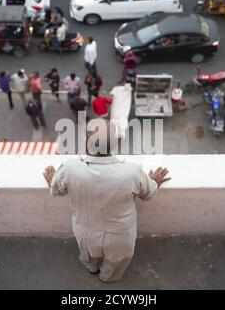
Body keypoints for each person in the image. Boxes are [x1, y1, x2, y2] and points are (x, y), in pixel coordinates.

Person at [43, 118, 170, 282]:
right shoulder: (132, 172)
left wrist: (53, 180)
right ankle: (107, 278)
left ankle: (91, 269)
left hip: (85, 231)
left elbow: (56, 190)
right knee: (115, 265)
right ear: (115, 145)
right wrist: (152, 181)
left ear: (87, 144)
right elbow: (148, 194)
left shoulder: (70, 168)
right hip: (120, 236)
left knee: (88, 257)